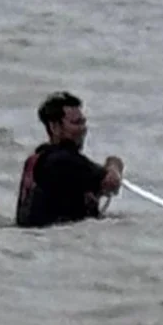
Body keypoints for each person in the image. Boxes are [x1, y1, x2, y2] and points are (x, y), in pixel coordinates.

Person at [17, 92, 122, 228]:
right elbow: (111, 182)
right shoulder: (63, 161)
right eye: (76, 123)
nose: (83, 129)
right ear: (54, 127)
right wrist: (114, 164)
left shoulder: (40, 157)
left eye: (83, 122)